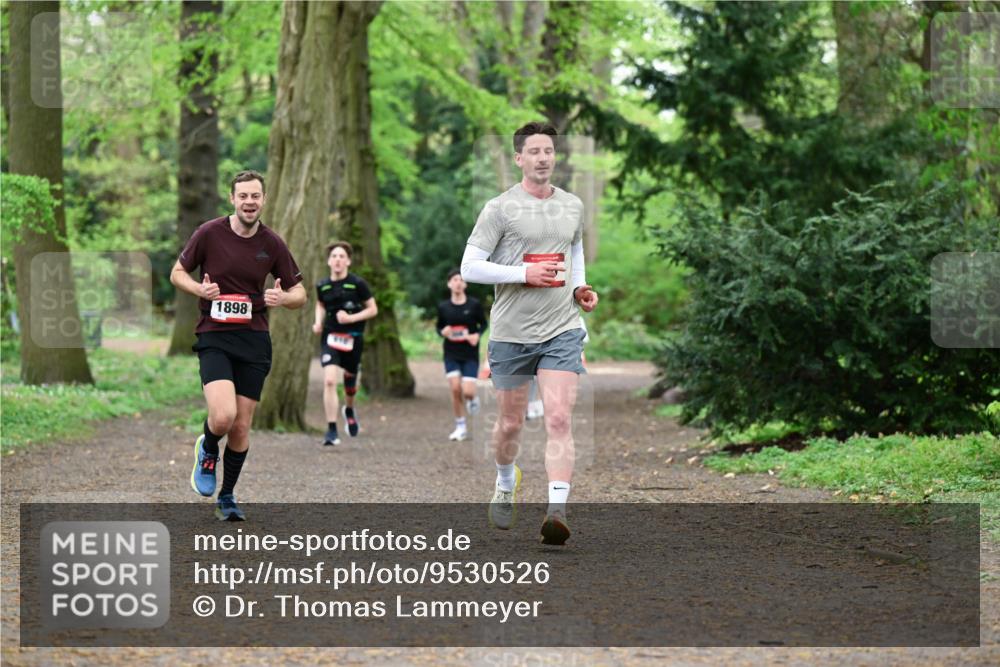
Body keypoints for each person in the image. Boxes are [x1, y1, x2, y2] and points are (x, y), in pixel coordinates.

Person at [461, 122, 599, 545]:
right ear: (519, 158)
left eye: (549, 151)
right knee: (509, 423)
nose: (543, 157)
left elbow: (573, 251)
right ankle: (506, 479)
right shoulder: (499, 208)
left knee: (558, 417)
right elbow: (470, 267)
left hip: (561, 328)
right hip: (511, 332)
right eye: (534, 151)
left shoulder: (572, 206)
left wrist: (579, 287)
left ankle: (556, 511)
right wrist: (524, 272)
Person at [170, 170, 306, 521]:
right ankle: (207, 447)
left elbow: (300, 293)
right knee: (223, 416)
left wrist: (282, 298)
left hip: (254, 339)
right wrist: (199, 290)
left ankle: (227, 495)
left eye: (255, 196)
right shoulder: (209, 233)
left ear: (263, 200)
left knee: (242, 426)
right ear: (232, 198)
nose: (249, 202)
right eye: (243, 196)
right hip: (214, 335)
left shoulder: (272, 243)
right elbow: (177, 273)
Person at [311, 241, 378, 446]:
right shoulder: (323, 285)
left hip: (353, 337)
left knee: (350, 381)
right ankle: (331, 430)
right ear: (328, 261)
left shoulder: (358, 284)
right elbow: (320, 304)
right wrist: (318, 321)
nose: (338, 260)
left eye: (342, 256)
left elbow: (372, 309)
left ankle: (349, 409)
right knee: (330, 380)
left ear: (348, 261)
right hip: (330, 336)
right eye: (334, 256)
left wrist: (351, 318)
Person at [436, 268, 488, 441]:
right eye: (454, 280)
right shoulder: (443, 307)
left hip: (470, 354)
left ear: (465, 284)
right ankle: (460, 426)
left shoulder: (473, 305)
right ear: (449, 284)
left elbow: (483, 324)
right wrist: (443, 331)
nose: (458, 283)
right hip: (451, 354)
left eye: (461, 280)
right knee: (455, 388)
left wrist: (476, 336)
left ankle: (472, 400)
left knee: (467, 392)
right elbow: (439, 327)